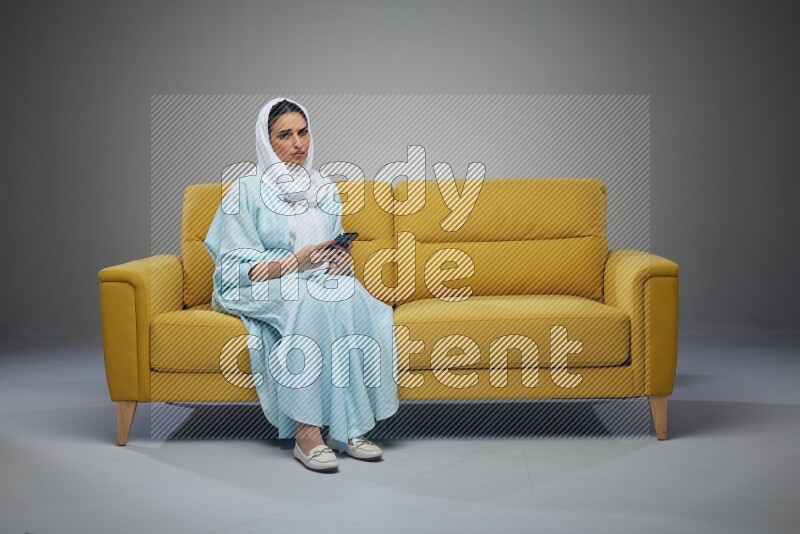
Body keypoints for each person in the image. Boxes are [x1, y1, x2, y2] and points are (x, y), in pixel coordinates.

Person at [203, 98, 400, 472]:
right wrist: (296, 262)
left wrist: (338, 258)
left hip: (312, 277)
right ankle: (306, 433)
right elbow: (234, 269)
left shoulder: (324, 189)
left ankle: (350, 427)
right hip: (257, 283)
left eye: (303, 132)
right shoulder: (246, 192)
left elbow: (324, 249)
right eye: (285, 135)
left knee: (353, 298)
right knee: (304, 302)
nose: (298, 143)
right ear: (266, 140)